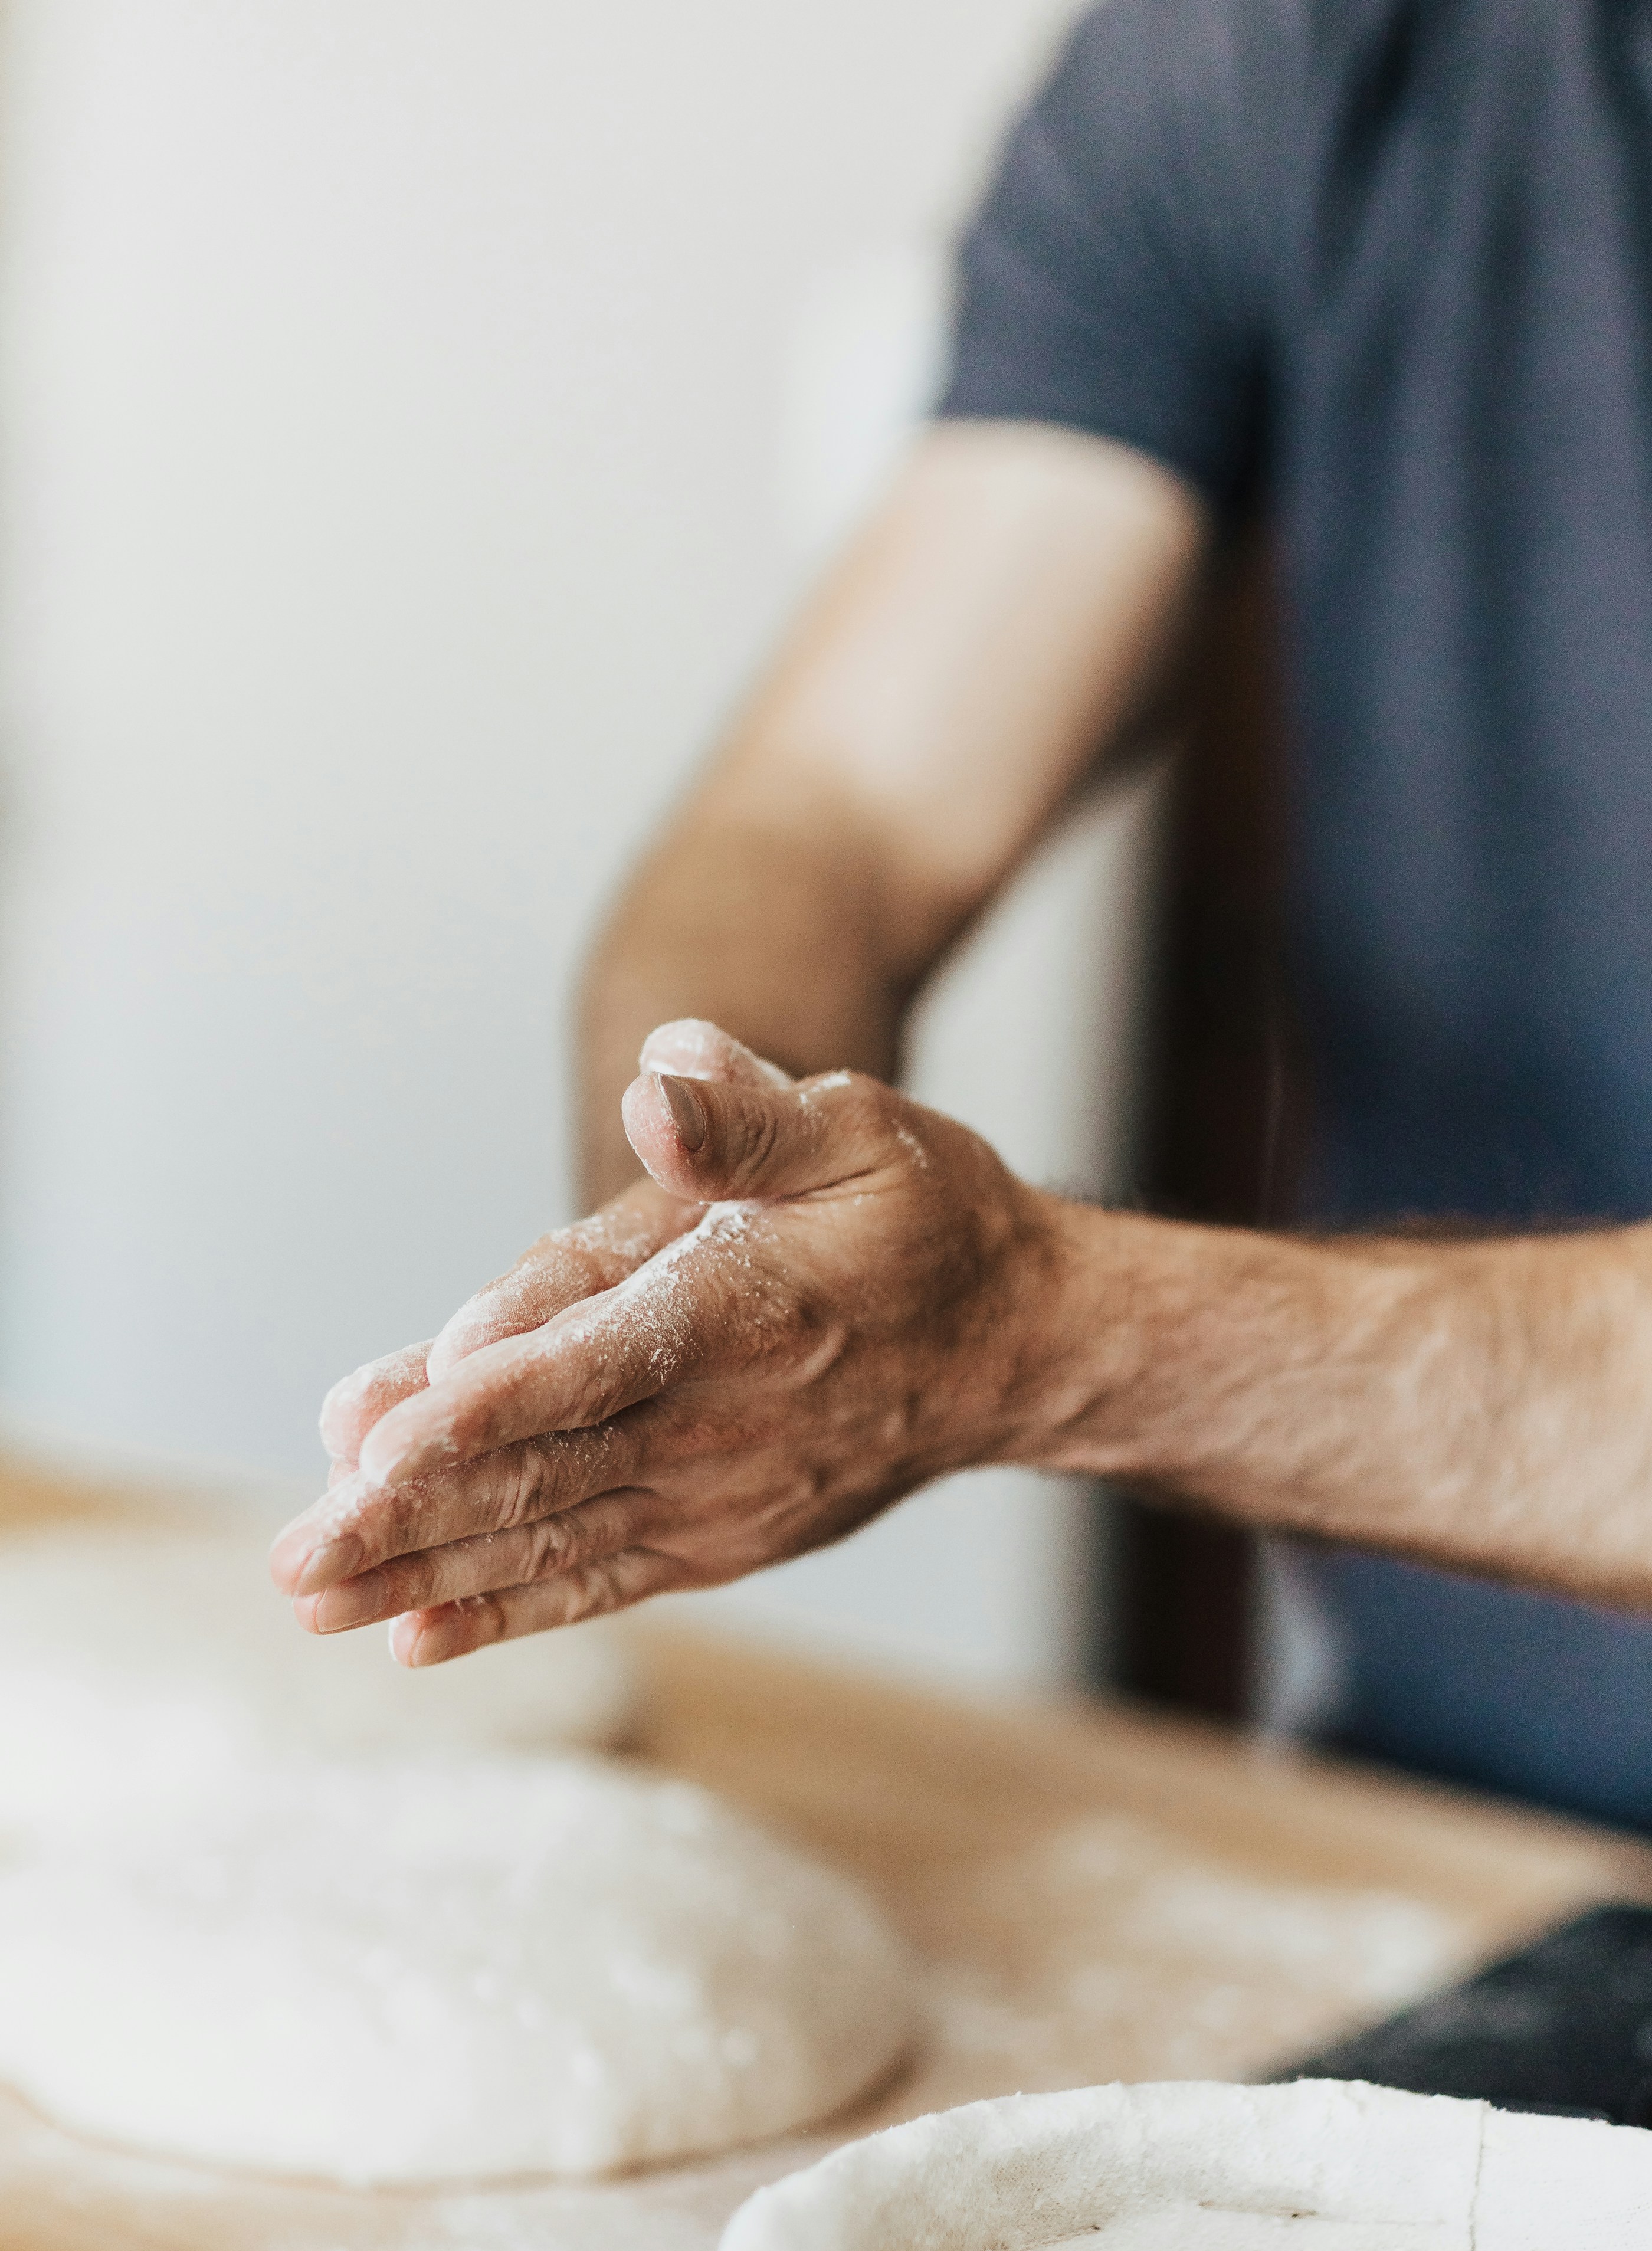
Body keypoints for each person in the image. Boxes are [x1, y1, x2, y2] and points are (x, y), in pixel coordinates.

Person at [272, 0, 1652, 1829]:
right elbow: (833, 815)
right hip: (1475, 1818)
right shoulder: (1301, 49)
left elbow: (1019, 1323)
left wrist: (1036, 1336)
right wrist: (699, 1234)